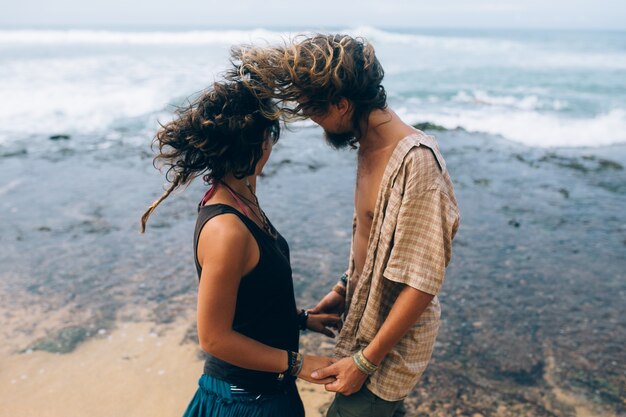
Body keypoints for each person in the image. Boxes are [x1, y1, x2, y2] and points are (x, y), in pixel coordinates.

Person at [230, 34, 461, 417]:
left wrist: (365, 363)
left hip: (389, 350)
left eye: (314, 112)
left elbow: (422, 283)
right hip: (365, 326)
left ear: (341, 104)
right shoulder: (368, 144)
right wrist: (343, 288)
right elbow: (375, 242)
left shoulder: (416, 163)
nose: (311, 120)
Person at [140, 80, 340, 417]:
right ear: (260, 142)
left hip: (267, 390)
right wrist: (300, 363)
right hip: (244, 401)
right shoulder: (226, 229)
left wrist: (301, 319)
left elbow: (249, 301)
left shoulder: (244, 201)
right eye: (270, 135)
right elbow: (214, 337)